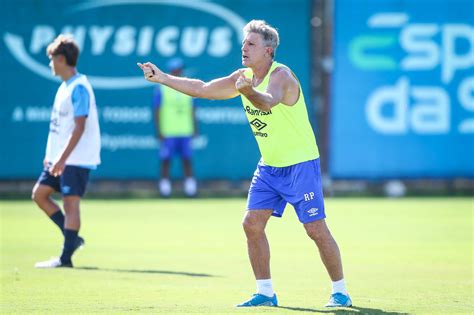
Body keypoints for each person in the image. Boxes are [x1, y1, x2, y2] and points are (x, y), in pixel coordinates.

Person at [138, 20, 351, 308]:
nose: (244, 48)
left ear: (268, 51)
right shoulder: (244, 77)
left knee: (315, 229)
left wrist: (247, 90)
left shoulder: (282, 76)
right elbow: (202, 88)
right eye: (244, 43)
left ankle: (340, 291)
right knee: (251, 224)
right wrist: (162, 77)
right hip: (270, 166)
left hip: (300, 165)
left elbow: (266, 102)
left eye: (251, 44)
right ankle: (265, 292)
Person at [32, 34, 101, 268]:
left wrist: (61, 158)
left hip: (76, 158)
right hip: (60, 157)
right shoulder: (65, 87)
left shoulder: (79, 87)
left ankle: (65, 258)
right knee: (39, 194)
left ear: (61, 59)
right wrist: (51, 155)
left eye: (52, 59)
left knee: (71, 205)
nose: (50, 64)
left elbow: (80, 126)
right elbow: (59, 127)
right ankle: (73, 238)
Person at [152, 57, 197, 197]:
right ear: (171, 71)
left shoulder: (188, 86)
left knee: (187, 160)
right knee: (166, 160)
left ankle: (191, 189)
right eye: (175, 70)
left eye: (180, 69)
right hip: (168, 131)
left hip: (185, 130)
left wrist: (195, 128)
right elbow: (156, 110)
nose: (178, 72)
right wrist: (159, 130)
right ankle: (164, 189)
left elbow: (193, 110)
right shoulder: (162, 88)